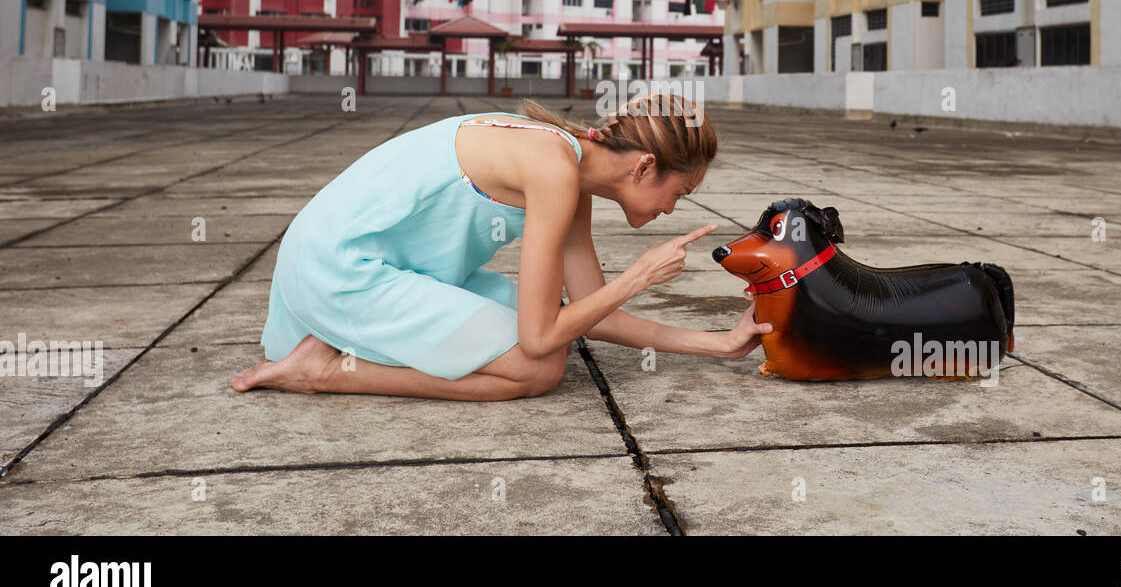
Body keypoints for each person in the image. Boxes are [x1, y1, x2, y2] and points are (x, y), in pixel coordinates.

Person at [231, 92, 771, 401]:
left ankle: (338, 348)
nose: (671, 209)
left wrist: (721, 343)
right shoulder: (554, 169)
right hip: (340, 268)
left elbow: (591, 315)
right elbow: (539, 340)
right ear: (645, 166)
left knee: (560, 339)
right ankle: (320, 372)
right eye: (679, 192)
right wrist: (637, 277)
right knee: (540, 370)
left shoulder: (572, 169)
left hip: (385, 264)